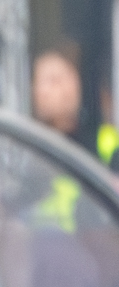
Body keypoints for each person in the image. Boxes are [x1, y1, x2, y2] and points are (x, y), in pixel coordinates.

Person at [30, 48, 117, 231]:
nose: (43, 91)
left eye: (55, 81)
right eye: (40, 82)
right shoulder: (23, 146)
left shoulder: (107, 142)